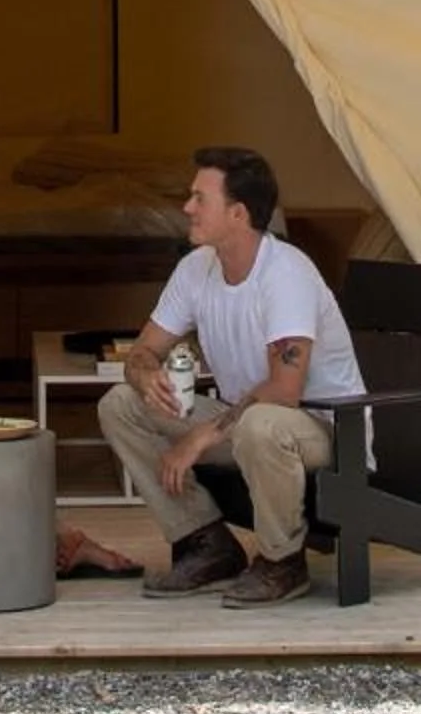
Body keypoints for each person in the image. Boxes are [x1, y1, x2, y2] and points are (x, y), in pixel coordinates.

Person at [97, 146, 366, 608]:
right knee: (119, 403)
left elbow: (284, 391)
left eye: (200, 199)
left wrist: (201, 435)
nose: (187, 208)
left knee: (262, 423)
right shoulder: (195, 268)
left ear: (238, 213)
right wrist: (145, 378)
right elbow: (142, 350)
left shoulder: (285, 274)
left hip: (324, 428)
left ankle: (283, 561)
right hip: (246, 420)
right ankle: (207, 544)